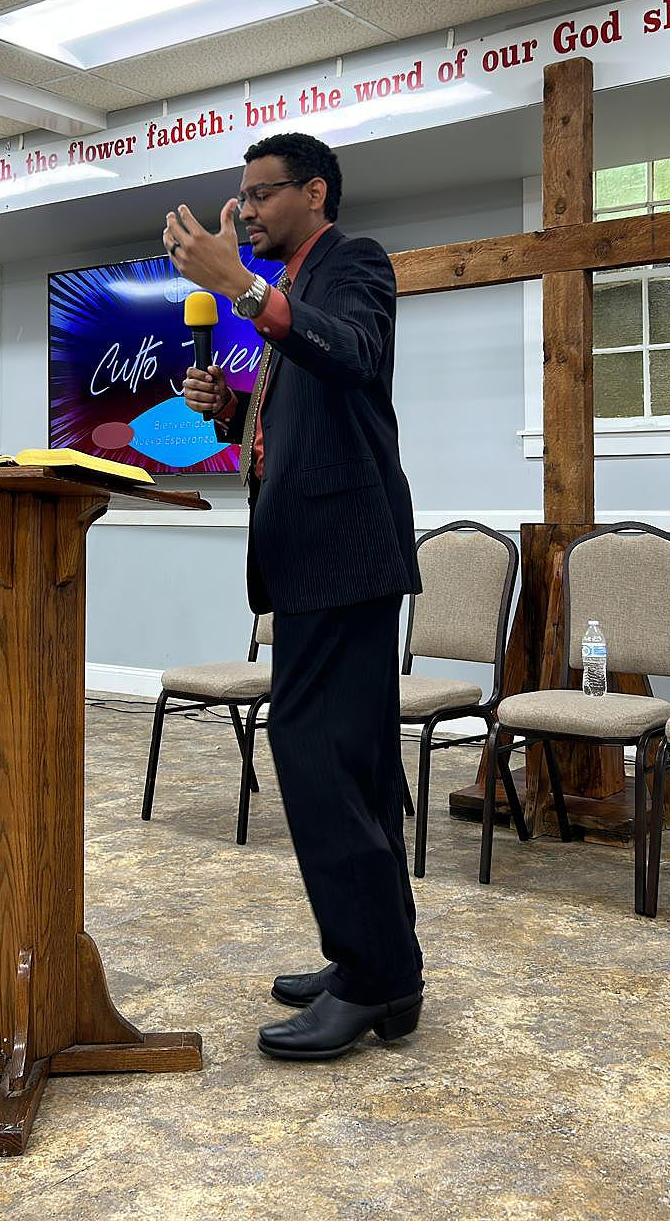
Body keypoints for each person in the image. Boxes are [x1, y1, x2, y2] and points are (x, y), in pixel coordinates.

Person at [163, 131, 423, 1061]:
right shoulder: (293, 290)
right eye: (242, 198)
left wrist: (235, 279)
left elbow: (353, 356)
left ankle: (372, 977)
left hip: (343, 552)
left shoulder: (351, 263)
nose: (244, 212)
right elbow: (314, 406)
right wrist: (232, 411)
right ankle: (381, 965)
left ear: (314, 193)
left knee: (321, 757)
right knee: (348, 765)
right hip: (316, 555)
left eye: (259, 196)